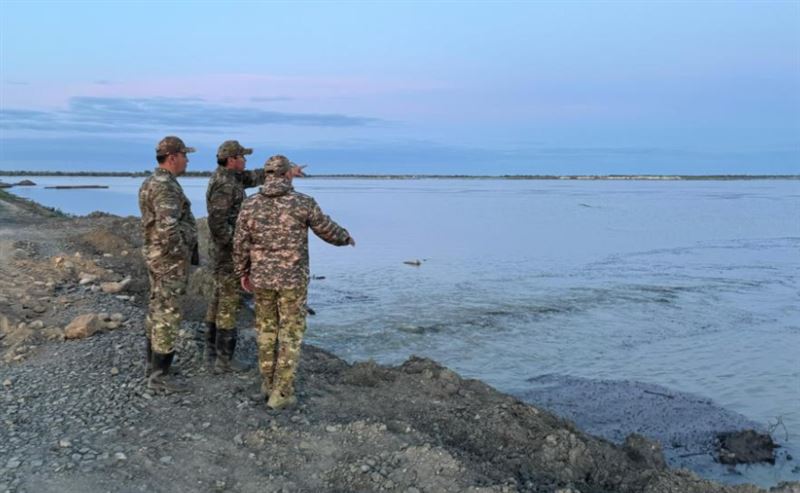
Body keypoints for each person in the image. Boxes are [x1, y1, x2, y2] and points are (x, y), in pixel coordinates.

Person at [233, 155, 355, 410]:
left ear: (267, 174)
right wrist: (345, 238)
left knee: (266, 332)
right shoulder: (302, 203)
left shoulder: (250, 204)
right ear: (287, 174)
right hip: (292, 281)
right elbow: (327, 230)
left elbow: (240, 243)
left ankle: (268, 384)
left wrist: (243, 272)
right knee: (290, 334)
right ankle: (282, 393)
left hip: (261, 279)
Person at [205, 140, 305, 371]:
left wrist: (288, 171)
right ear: (232, 160)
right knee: (229, 301)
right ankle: (223, 361)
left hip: (225, 250)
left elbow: (254, 177)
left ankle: (210, 353)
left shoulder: (231, 177)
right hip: (227, 252)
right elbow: (217, 223)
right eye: (242, 157)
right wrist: (238, 248)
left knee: (219, 298)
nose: (245, 160)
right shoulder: (224, 184)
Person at [138, 136, 198, 392]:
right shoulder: (165, 187)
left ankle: (154, 366)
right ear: (173, 157)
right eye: (185, 155)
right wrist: (182, 252)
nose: (187, 160)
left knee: (157, 307)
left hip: (156, 255)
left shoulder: (152, 182)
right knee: (167, 312)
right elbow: (167, 227)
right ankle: (159, 378)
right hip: (168, 259)